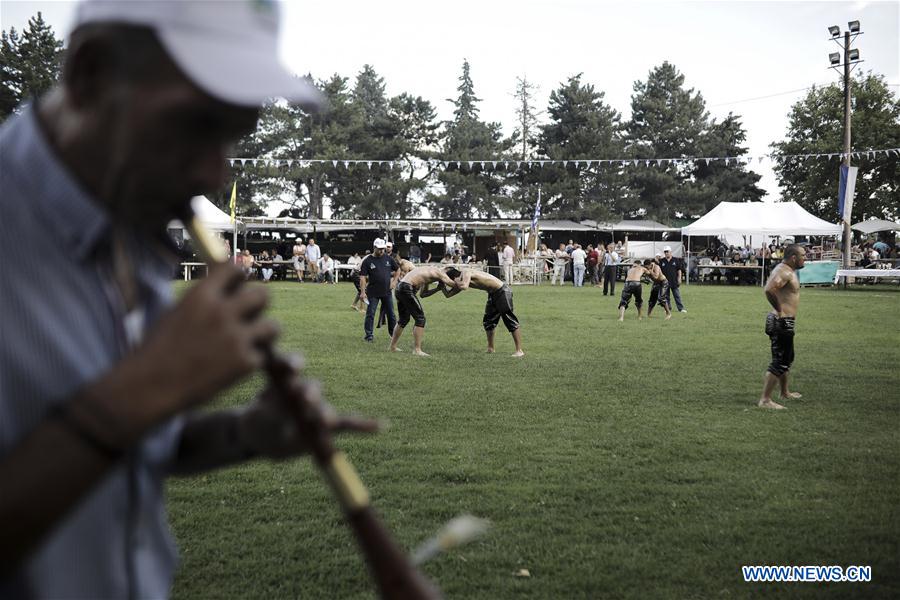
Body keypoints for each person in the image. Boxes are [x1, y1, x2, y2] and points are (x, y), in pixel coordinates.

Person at [0, 2, 380, 597]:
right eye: (194, 124)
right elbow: (112, 419)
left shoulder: (128, 214)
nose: (213, 172)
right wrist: (144, 387)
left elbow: (120, 453)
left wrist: (242, 434)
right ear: (89, 74)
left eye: (235, 133)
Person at [758, 244, 807, 409]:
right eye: (803, 255)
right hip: (781, 321)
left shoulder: (786, 269)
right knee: (780, 361)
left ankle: (784, 392)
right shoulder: (785, 272)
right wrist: (780, 311)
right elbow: (769, 290)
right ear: (794, 257)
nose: (805, 258)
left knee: (786, 358)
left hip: (782, 320)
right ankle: (765, 400)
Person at [443, 268, 525, 357]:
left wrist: (452, 281)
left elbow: (465, 286)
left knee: (509, 320)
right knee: (489, 321)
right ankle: (491, 348)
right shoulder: (461, 282)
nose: (450, 284)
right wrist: (442, 286)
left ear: (454, 277)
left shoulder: (466, 272)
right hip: (493, 294)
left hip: (502, 291)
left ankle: (519, 350)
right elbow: (448, 295)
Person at [388, 266, 460, 356]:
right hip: (406, 288)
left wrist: (437, 289)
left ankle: (392, 346)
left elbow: (423, 294)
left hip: (400, 288)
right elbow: (453, 284)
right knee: (420, 318)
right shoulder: (439, 272)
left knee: (403, 319)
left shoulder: (429, 271)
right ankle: (417, 350)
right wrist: (466, 282)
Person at [358, 238, 398, 343]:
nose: (381, 251)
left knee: (391, 314)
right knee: (370, 314)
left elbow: (397, 269)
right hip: (373, 293)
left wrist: (394, 282)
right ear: (374, 248)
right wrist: (362, 292)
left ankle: (393, 335)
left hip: (387, 292)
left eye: (383, 249)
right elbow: (362, 277)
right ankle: (369, 335)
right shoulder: (367, 261)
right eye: (379, 249)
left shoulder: (388, 259)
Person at [659, 246, 686, 312]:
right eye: (665, 252)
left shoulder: (675, 260)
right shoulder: (662, 261)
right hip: (665, 282)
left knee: (677, 296)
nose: (666, 253)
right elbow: (659, 271)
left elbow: (679, 270)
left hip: (674, 281)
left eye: (667, 251)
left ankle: (681, 308)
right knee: (666, 296)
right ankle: (668, 308)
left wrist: (679, 278)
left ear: (670, 252)